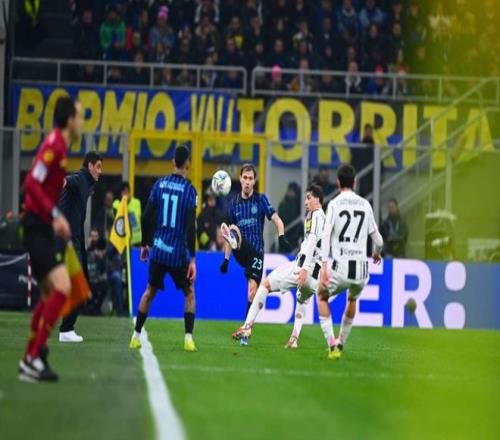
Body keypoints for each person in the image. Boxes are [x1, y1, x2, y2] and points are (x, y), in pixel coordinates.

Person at [18, 96, 82, 382]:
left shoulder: (61, 146)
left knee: (48, 294)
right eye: (79, 116)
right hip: (36, 225)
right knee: (62, 287)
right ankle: (34, 356)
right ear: (69, 120)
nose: (82, 122)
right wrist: (56, 215)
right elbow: (31, 183)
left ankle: (30, 358)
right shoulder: (55, 145)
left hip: (42, 226)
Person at [232, 185, 325, 348]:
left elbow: (312, 240)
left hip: (303, 268)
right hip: (315, 277)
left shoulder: (316, 215)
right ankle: (294, 339)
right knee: (302, 301)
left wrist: (304, 268)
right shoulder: (324, 218)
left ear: (317, 199)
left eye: (308, 198)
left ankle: (247, 327)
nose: (305, 202)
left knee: (265, 285)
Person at [130, 145, 198, 352]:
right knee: (189, 293)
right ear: (188, 164)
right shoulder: (190, 191)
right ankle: (188, 339)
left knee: (149, 291)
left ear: (172, 162)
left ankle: (135, 336)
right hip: (178, 254)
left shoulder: (159, 185)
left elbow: (146, 217)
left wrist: (145, 244)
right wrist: (192, 259)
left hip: (158, 250)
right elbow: (190, 227)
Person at [317, 164, 383, 360]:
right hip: (362, 271)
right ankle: (341, 342)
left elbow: (326, 236)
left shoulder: (334, 204)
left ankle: (332, 345)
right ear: (355, 182)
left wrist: (324, 265)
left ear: (338, 183)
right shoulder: (365, 204)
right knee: (352, 299)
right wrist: (376, 253)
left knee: (321, 296)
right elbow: (379, 241)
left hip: (341, 267)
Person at [219, 164, 289, 326]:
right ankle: (236, 242)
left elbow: (276, 219)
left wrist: (281, 236)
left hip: (257, 252)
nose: (247, 181)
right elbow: (230, 235)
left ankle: (246, 328)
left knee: (252, 292)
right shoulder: (233, 203)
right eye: (245, 178)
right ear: (240, 179)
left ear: (254, 181)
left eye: (250, 178)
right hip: (241, 249)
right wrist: (226, 260)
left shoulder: (261, 199)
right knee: (233, 229)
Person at [58, 151, 103, 342]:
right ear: (90, 166)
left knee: (82, 283)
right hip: (67, 240)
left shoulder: (87, 184)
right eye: (98, 167)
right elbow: (65, 181)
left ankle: (67, 327)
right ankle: (66, 329)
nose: (100, 171)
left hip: (76, 239)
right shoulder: (80, 178)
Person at [113, 182, 142, 246]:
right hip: (122, 240)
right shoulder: (116, 204)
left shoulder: (137, 202)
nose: (126, 194)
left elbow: (140, 218)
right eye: (124, 192)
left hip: (136, 240)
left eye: (127, 191)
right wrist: (124, 202)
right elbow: (117, 221)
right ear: (120, 193)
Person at [351, 123, 374, 198]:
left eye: (369, 131)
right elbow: (353, 164)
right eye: (366, 131)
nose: (368, 133)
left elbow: (380, 167)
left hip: (372, 183)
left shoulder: (375, 150)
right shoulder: (359, 149)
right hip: (360, 183)